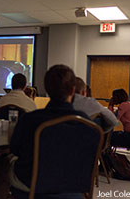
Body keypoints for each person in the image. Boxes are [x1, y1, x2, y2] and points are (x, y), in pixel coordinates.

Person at [9, 65, 91, 198]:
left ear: (47, 89)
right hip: (73, 188)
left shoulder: (30, 120)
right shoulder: (86, 124)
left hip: (32, 186)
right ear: (72, 90)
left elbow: (15, 149)